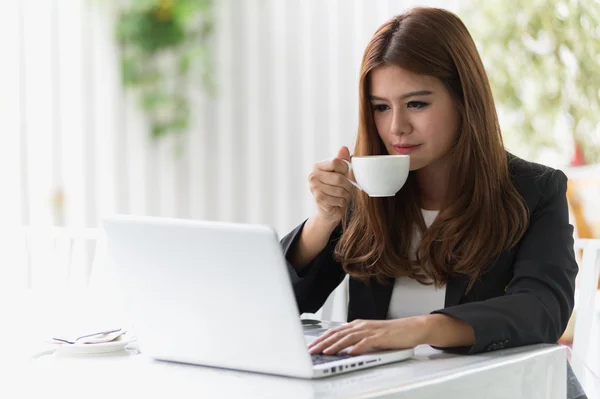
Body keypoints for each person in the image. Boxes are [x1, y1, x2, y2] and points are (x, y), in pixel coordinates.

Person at [281, 7, 578, 360]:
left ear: (464, 99)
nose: (396, 127)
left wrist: (418, 328)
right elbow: (278, 303)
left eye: (416, 103)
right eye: (381, 107)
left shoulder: (535, 190)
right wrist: (323, 220)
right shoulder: (368, 189)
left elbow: (542, 309)